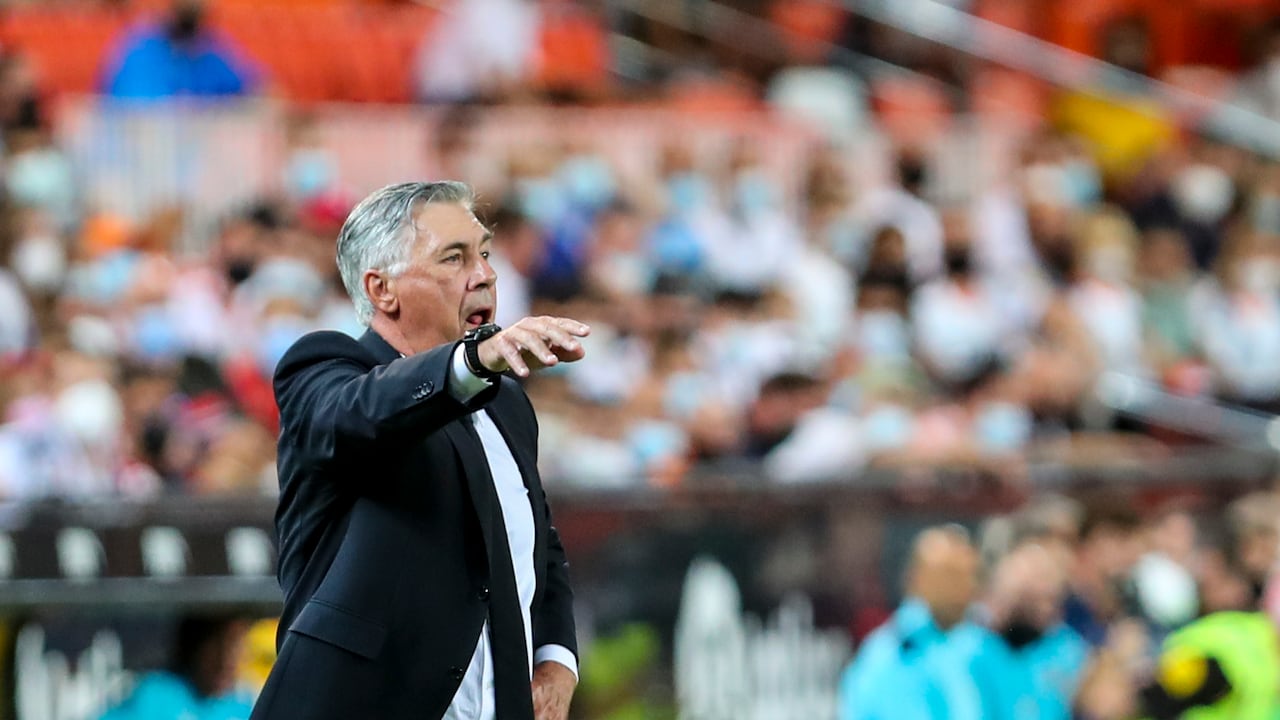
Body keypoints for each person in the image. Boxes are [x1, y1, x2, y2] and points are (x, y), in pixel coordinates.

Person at [251, 181, 588, 720]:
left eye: (483, 253)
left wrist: (555, 659)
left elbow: (537, 545)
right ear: (382, 290)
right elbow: (359, 416)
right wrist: (471, 363)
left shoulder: (507, 403)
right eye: (454, 258)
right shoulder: (326, 368)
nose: (485, 274)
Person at [839, 525, 997, 720]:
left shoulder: (975, 643)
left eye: (970, 575)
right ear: (916, 578)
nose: (965, 586)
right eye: (951, 575)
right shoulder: (894, 653)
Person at [99, 615, 255, 720]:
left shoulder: (244, 705)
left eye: (235, 646)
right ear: (195, 646)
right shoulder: (156, 694)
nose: (226, 660)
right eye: (216, 645)